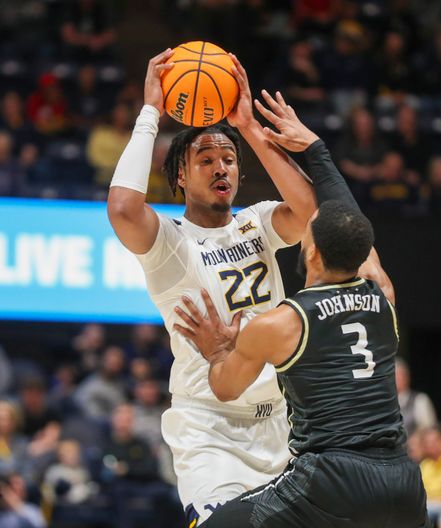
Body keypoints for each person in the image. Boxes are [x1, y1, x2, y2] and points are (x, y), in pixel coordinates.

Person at [105, 49, 316, 525]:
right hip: (210, 427)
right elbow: (121, 209)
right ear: (180, 175)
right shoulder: (169, 242)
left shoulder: (258, 222)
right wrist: (151, 112)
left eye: (229, 159)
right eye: (206, 159)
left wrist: (249, 129)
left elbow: (309, 212)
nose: (222, 168)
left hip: (284, 423)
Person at [174, 198, 427, 526]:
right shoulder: (383, 295)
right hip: (404, 481)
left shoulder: (281, 322)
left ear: (312, 253)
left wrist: (217, 352)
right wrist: (317, 152)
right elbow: (352, 224)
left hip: (334, 478)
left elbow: (225, 388)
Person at [396, 357, 437, 435]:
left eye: (398, 375)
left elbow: (429, 430)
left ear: (406, 377)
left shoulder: (420, 400)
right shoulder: (385, 402)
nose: (395, 379)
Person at [420, 425, 441, 522]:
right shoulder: (424, 465)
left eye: (434, 441)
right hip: (428, 504)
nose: (430, 445)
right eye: (427, 443)